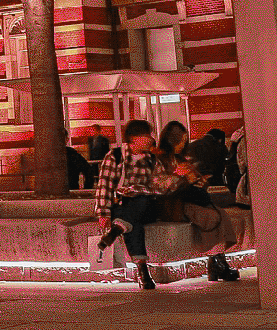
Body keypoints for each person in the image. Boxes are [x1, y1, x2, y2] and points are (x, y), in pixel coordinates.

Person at [150, 131, 239, 282]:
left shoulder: (174, 160)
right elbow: (161, 189)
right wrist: (180, 177)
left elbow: (196, 184)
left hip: (184, 201)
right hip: (171, 206)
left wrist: (195, 179)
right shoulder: (152, 164)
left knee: (217, 213)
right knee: (210, 215)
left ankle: (217, 261)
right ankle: (217, 263)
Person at [95, 119, 163, 289]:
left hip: (147, 205)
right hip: (122, 206)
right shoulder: (115, 156)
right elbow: (105, 185)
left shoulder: (152, 160)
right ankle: (143, 272)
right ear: (134, 138)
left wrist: (144, 190)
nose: (150, 139)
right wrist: (103, 213)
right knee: (133, 222)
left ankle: (118, 229)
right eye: (147, 135)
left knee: (139, 203)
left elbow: (162, 186)